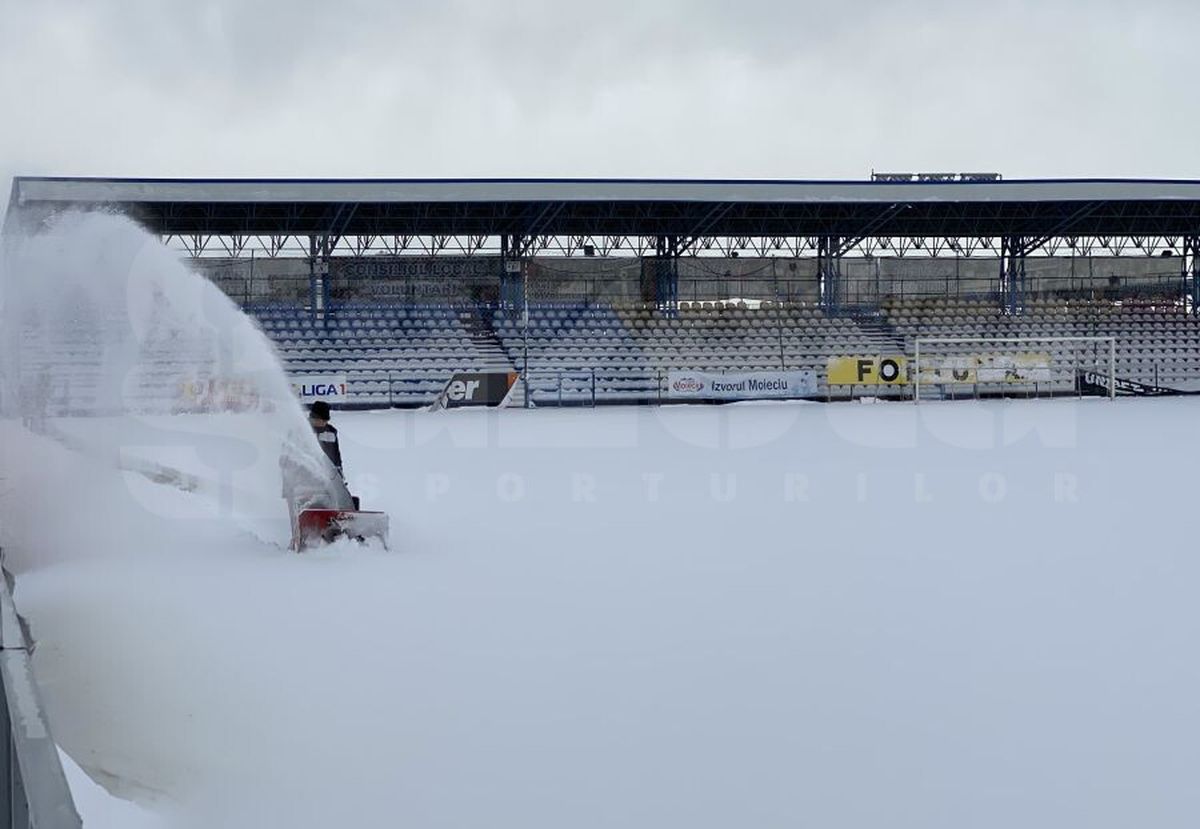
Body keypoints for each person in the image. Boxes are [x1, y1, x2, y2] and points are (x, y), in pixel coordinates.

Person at [308, 400, 343, 478]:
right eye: (322, 420)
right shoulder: (301, 430)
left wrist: (339, 471)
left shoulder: (331, 432)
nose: (324, 423)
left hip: (325, 476)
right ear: (313, 418)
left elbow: (336, 455)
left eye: (326, 420)